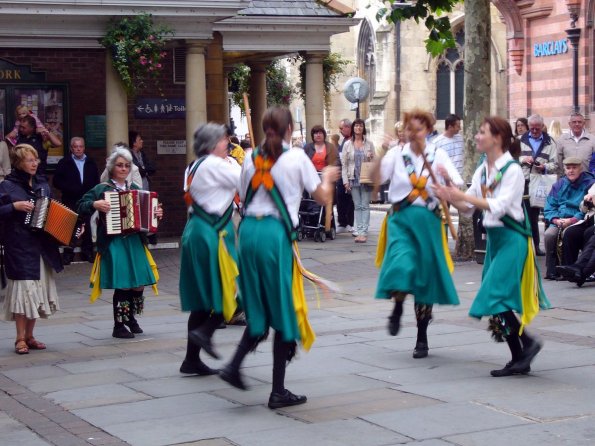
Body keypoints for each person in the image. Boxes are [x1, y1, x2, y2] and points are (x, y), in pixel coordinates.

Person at [219, 106, 338, 409]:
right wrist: (329, 180)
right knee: (283, 310)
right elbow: (322, 198)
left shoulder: (250, 159)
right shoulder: (297, 157)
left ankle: (234, 365)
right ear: (288, 130)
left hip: (247, 234)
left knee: (258, 305)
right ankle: (277, 391)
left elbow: (244, 198)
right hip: (274, 236)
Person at [434, 116, 550, 377]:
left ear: (497, 138)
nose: (476, 136)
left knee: (495, 295)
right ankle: (520, 356)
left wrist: (462, 195)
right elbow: (467, 209)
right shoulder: (483, 170)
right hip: (495, 241)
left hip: (513, 239)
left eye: (482, 132)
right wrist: (451, 194)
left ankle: (529, 344)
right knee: (498, 300)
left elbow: (500, 205)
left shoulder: (512, 170)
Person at [375, 108, 462, 359]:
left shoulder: (439, 155)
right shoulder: (395, 154)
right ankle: (398, 307)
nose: (414, 134)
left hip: (429, 223)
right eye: (410, 129)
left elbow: (456, 185)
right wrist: (382, 154)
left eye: (419, 129)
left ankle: (421, 338)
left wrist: (448, 183)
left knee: (424, 281)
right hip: (401, 220)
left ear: (428, 130)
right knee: (402, 266)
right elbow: (377, 178)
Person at [77, 146, 163, 339]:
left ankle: (131, 318)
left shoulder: (136, 190)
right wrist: (94, 204)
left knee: (139, 283)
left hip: (134, 241)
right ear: (112, 168)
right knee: (123, 284)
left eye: (126, 166)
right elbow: (80, 205)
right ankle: (119, 325)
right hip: (114, 241)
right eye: (119, 166)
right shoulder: (102, 189)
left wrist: (156, 214)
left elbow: (150, 214)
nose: (123, 169)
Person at [179, 123, 241, 375]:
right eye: (224, 140)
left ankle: (191, 360)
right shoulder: (215, 165)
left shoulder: (195, 165)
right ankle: (206, 332)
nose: (228, 143)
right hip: (211, 233)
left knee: (202, 300)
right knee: (239, 290)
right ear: (213, 143)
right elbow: (249, 182)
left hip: (199, 230)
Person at [0, 144, 63, 354]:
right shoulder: (7, 186)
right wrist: (14, 207)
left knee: (37, 290)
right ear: (18, 163)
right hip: (18, 245)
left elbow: (52, 211)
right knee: (23, 290)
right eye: (29, 160)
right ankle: (19, 338)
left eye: (35, 159)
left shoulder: (42, 184)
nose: (34, 163)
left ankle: (30, 336)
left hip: (40, 246)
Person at [542, 158, 595, 279]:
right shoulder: (558, 184)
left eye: (574, 168)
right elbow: (550, 206)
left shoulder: (589, 183)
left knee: (569, 232)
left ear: (580, 169)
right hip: (559, 219)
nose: (571, 171)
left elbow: (587, 209)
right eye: (568, 168)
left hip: (579, 220)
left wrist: (572, 220)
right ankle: (551, 269)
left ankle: (569, 268)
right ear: (564, 170)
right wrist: (555, 219)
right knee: (549, 235)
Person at [52, 137, 100, 264]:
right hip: (70, 198)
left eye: (81, 146)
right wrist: (70, 188)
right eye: (75, 146)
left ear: (84, 147)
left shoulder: (91, 162)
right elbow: (57, 181)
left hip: (86, 199)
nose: (78, 149)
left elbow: (96, 180)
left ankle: (87, 252)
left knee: (87, 225)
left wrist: (92, 193)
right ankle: (68, 254)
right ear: (71, 148)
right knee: (70, 226)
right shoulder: (64, 162)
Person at [519, 114, 558, 256]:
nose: (534, 131)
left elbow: (555, 164)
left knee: (546, 213)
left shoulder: (550, 142)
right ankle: (533, 245)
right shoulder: (520, 140)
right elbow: (511, 159)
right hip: (525, 181)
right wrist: (523, 159)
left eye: (537, 128)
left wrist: (545, 167)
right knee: (530, 216)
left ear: (542, 127)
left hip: (542, 182)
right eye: (532, 128)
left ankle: (550, 247)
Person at [341, 118, 375, 243]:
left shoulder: (369, 143)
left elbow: (374, 162)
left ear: (363, 128)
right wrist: (345, 181)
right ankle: (359, 231)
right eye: (356, 126)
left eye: (360, 126)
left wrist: (372, 157)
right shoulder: (347, 144)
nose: (358, 128)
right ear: (353, 128)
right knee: (357, 205)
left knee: (365, 205)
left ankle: (364, 232)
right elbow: (344, 164)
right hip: (353, 178)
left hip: (366, 178)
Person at [556, 185, 595, 286]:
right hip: (589, 219)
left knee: (590, 234)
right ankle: (575, 268)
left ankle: (580, 274)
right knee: (572, 233)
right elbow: (582, 209)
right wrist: (587, 202)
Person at [336, 119, 354, 233]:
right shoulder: (343, 141)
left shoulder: (353, 140)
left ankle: (350, 222)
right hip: (341, 173)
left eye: (341, 128)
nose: (340, 131)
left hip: (350, 173)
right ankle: (342, 222)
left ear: (348, 127)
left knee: (350, 199)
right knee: (340, 197)